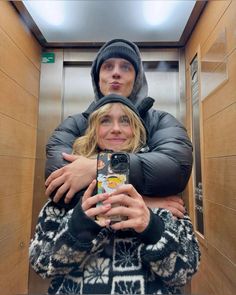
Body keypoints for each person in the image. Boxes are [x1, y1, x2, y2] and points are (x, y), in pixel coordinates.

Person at [30, 94, 200, 294]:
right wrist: (81, 223)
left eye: (126, 121)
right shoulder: (71, 180)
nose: (116, 128)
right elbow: (41, 263)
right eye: (105, 120)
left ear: (136, 129)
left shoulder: (161, 185)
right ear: (94, 131)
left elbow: (186, 270)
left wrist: (151, 226)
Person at [44, 39, 193, 216]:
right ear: (97, 77)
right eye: (108, 66)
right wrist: (145, 202)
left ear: (137, 78)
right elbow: (59, 182)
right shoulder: (74, 125)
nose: (116, 73)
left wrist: (96, 168)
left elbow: (174, 169)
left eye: (125, 67)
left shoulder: (160, 121)